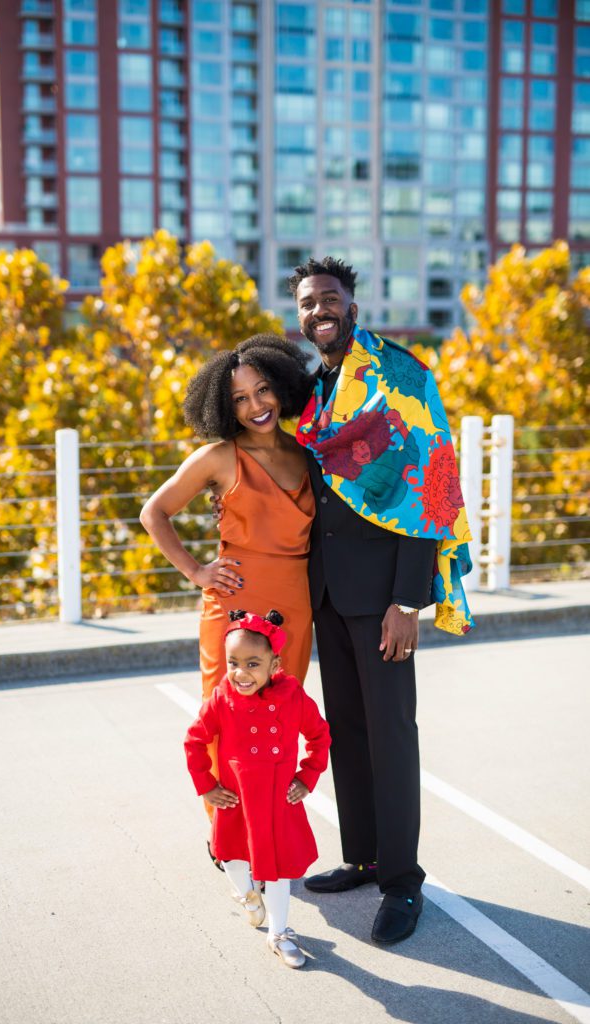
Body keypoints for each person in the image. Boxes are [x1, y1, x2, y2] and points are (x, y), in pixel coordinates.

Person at [289, 257, 473, 945]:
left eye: (329, 298)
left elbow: (431, 485)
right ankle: (363, 858)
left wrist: (407, 600)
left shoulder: (401, 376)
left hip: (382, 594)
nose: (319, 310)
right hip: (328, 590)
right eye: (308, 302)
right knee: (347, 729)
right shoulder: (313, 388)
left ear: (352, 306)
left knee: (391, 736)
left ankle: (401, 882)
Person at [139, 334, 315, 852]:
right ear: (223, 405)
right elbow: (154, 512)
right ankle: (227, 837)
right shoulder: (219, 457)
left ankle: (268, 830)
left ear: (280, 387)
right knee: (226, 723)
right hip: (234, 603)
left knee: (279, 721)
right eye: (239, 398)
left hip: (294, 605)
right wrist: (197, 571)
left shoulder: (307, 453)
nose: (256, 405)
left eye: (262, 390)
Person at [184, 609, 331, 969]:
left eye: (253, 664)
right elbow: (194, 740)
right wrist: (207, 786)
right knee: (231, 856)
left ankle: (279, 934)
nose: (241, 673)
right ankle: (247, 895)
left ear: (274, 664)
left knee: (277, 869)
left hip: (278, 801)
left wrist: (306, 777)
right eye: (233, 663)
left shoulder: (294, 697)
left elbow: (319, 736)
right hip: (235, 799)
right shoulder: (221, 698)